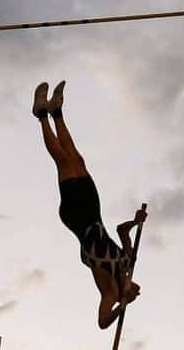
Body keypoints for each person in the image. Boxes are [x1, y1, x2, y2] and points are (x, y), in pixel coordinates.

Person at [32, 80, 146, 329]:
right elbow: (121, 230)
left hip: (78, 219)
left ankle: (41, 116)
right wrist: (135, 222)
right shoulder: (127, 260)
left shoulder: (111, 293)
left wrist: (121, 305)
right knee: (78, 160)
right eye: (136, 290)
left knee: (64, 163)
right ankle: (57, 112)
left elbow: (102, 322)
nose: (138, 289)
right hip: (94, 212)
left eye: (136, 292)